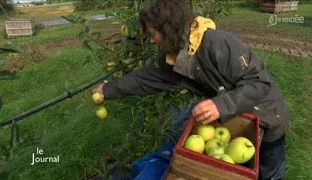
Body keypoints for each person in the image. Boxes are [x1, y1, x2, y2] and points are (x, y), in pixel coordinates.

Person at [93, 0, 290, 179]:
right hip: (234, 122)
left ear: (168, 29)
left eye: (153, 34)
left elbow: (260, 83)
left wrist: (220, 104)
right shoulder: (176, 56)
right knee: (240, 171)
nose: (152, 41)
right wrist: (108, 90)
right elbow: (146, 78)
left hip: (267, 116)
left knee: (269, 170)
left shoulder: (217, 43)